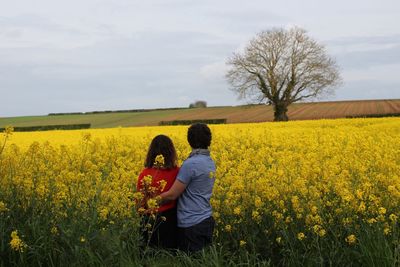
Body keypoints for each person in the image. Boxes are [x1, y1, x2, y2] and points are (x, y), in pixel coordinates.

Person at [159, 123, 216, 253]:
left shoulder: (191, 164)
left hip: (191, 224)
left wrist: (149, 200)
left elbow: (173, 194)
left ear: (189, 140)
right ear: (209, 140)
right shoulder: (210, 161)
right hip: (206, 219)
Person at [136, 134, 179, 249]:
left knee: (148, 252)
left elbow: (139, 203)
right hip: (170, 220)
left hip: (147, 219)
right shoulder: (177, 172)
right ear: (171, 152)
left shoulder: (144, 174)